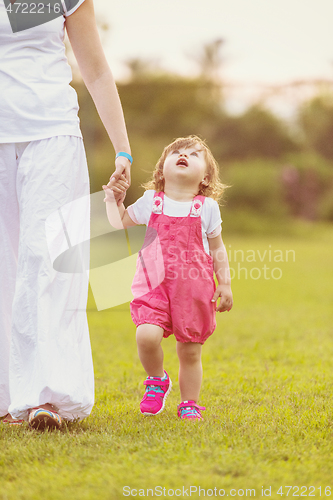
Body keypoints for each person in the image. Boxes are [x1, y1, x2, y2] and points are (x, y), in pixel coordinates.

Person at [0, 0, 131, 429]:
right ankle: (7, 394)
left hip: (53, 133)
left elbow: (95, 70)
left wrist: (122, 148)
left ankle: (47, 396)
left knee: (47, 260)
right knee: (5, 264)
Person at [103, 136, 233, 420]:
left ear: (206, 177)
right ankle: (157, 379)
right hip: (154, 285)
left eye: (193, 154)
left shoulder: (207, 208)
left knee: (189, 351)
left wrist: (224, 283)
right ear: (161, 170)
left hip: (194, 288)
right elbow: (119, 222)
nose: (183, 155)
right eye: (177, 152)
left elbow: (217, 248)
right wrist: (114, 201)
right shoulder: (152, 202)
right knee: (146, 335)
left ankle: (189, 403)